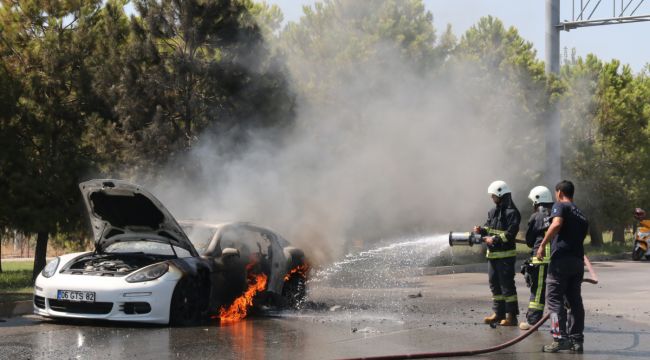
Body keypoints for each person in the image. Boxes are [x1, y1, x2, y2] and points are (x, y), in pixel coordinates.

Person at [536, 180, 588, 353]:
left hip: (561, 262)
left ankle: (559, 339)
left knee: (554, 299)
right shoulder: (581, 214)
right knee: (575, 301)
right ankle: (577, 340)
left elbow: (557, 224)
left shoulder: (561, 206)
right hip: (577, 262)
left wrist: (543, 245)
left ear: (559, 193)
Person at [474, 180, 521, 326]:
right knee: (494, 285)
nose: (492, 198)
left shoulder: (513, 213)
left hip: (506, 256)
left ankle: (511, 316)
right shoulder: (493, 211)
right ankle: (498, 313)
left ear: (501, 195)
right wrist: (481, 230)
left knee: (507, 286)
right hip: (492, 256)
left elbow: (510, 234)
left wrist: (493, 239)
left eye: (494, 195)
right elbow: (489, 228)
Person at [519, 186, 554, 330]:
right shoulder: (554, 214)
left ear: (536, 200)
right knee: (557, 290)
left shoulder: (536, 217)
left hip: (541, 259)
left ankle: (533, 321)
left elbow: (529, 240)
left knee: (538, 290)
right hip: (555, 258)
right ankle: (563, 320)